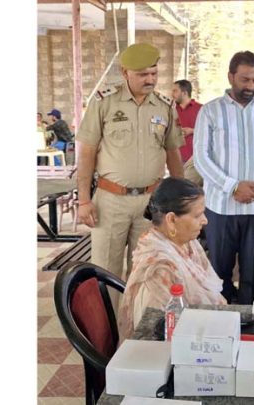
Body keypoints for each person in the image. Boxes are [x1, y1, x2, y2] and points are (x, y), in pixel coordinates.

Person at [76, 43, 184, 293]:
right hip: (110, 201)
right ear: (125, 73)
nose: (150, 80)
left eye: (154, 73)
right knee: (105, 272)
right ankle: (109, 331)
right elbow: (87, 154)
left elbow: (173, 154)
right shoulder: (105, 102)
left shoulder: (165, 106)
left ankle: (138, 330)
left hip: (151, 202)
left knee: (146, 271)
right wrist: (83, 201)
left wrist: (180, 201)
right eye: (143, 74)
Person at [194, 50, 254, 304]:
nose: (251, 86)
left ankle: (248, 331)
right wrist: (233, 186)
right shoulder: (210, 112)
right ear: (231, 76)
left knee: (251, 278)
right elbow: (201, 158)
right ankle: (221, 330)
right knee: (219, 276)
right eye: (245, 79)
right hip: (221, 209)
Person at [118, 177, 226, 342]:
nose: (205, 221)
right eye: (197, 215)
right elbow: (155, 338)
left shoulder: (188, 244)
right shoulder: (159, 269)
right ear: (171, 220)